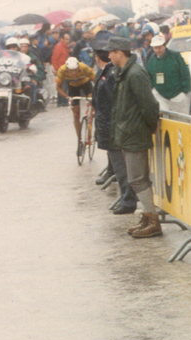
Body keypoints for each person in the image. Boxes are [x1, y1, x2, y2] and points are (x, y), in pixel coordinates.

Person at [106, 36, 161, 238]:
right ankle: (148, 217)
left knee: (137, 179)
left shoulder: (135, 73)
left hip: (135, 134)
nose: (109, 55)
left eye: (111, 52)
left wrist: (150, 125)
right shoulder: (125, 72)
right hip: (129, 133)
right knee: (137, 178)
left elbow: (149, 104)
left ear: (120, 53)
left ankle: (153, 221)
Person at [92, 39, 138, 215]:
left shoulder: (110, 74)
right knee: (119, 166)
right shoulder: (105, 72)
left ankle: (128, 199)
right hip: (107, 125)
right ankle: (126, 197)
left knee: (121, 166)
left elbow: (114, 102)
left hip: (112, 127)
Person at [146, 34, 191, 114]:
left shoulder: (175, 56)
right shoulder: (151, 60)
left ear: (165, 46)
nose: (158, 50)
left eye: (160, 47)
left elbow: (185, 73)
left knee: (182, 120)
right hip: (161, 96)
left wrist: (185, 91)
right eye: (155, 48)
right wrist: (153, 89)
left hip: (178, 96)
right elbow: (149, 76)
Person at [55, 57, 95, 141]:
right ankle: (79, 139)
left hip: (86, 84)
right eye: (70, 71)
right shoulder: (62, 70)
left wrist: (95, 96)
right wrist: (67, 97)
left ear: (78, 68)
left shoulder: (84, 67)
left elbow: (96, 81)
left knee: (92, 101)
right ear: (67, 69)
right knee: (76, 114)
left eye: (75, 70)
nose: (73, 73)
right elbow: (58, 87)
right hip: (73, 87)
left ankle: (94, 118)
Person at [51, 32, 72, 107]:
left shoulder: (65, 47)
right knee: (62, 85)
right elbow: (54, 58)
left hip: (65, 69)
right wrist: (56, 69)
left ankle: (63, 102)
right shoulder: (59, 46)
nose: (68, 41)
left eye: (69, 39)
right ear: (62, 39)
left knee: (64, 85)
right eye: (66, 39)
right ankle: (62, 102)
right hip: (60, 69)